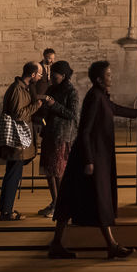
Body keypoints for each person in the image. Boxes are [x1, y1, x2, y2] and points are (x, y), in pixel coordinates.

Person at [47, 60, 137, 260]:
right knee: (84, 199)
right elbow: (85, 130)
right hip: (87, 158)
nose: (111, 77)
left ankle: (108, 245)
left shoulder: (100, 95)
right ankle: (107, 246)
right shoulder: (94, 97)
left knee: (89, 199)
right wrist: (88, 161)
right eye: (108, 74)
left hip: (94, 156)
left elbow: (115, 108)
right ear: (99, 79)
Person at [0, 62, 50, 221]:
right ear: (32, 75)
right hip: (17, 140)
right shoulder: (17, 90)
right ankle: (6, 212)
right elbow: (18, 115)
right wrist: (36, 106)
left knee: (11, 174)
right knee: (13, 175)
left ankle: (3, 209)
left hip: (19, 139)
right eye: (39, 74)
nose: (40, 77)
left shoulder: (22, 88)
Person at [37, 60, 79, 218]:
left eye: (55, 77)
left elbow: (72, 114)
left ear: (64, 75)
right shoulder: (52, 89)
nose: (52, 79)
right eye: (51, 76)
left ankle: (62, 205)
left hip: (62, 135)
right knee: (49, 171)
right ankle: (55, 202)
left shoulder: (71, 91)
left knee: (58, 171)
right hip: (49, 133)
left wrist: (54, 104)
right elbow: (46, 111)